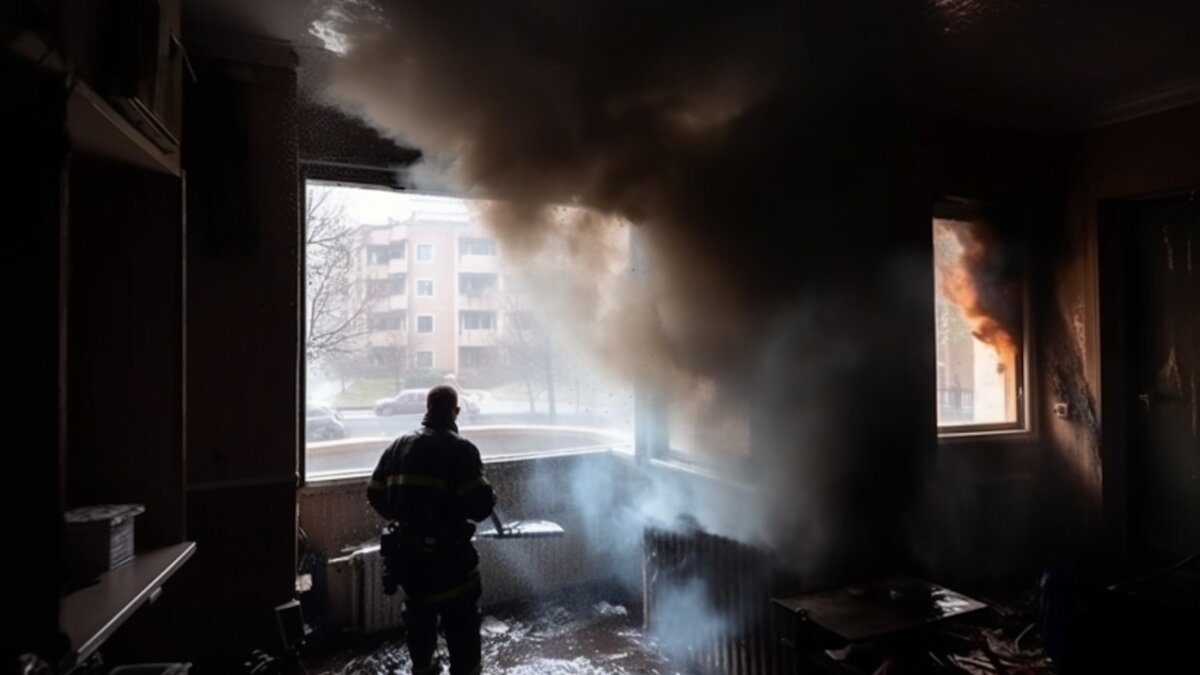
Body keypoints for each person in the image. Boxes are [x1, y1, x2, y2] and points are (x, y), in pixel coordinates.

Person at [367, 385, 497, 675]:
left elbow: (374, 492)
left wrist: (401, 515)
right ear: (456, 411)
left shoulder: (398, 446)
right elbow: (480, 508)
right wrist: (488, 493)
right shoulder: (462, 449)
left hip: (410, 562)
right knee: (462, 625)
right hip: (451, 562)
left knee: (419, 624)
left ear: (426, 409)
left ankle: (425, 668)